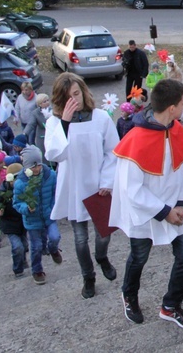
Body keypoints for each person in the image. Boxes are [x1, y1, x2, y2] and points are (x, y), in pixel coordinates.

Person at [110, 79, 183, 328]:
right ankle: (129, 295)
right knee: (139, 257)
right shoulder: (135, 139)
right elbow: (132, 190)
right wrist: (164, 212)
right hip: (146, 214)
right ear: (171, 107)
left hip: (176, 209)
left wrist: (181, 203)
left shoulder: (176, 128)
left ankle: (170, 306)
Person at [45, 72, 119, 299]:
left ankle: (101, 257)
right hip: (74, 186)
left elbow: (112, 151)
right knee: (79, 238)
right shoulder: (54, 122)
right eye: (68, 97)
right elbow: (55, 153)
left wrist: (108, 180)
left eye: (76, 94)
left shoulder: (100, 118)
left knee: (103, 233)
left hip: (98, 185)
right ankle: (88, 277)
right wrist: (65, 123)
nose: (74, 100)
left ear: (84, 91)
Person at [14, 145, 62, 285]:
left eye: (38, 165)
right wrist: (26, 208)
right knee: (36, 246)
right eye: (33, 167)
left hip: (48, 215)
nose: (36, 169)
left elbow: (55, 194)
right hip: (32, 220)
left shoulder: (50, 176)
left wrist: (53, 208)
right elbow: (17, 203)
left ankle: (53, 249)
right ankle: (37, 270)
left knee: (55, 237)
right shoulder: (20, 183)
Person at [0, 163, 29, 278]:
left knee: (24, 245)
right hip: (9, 224)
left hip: (22, 222)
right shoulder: (3, 192)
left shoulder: (25, 188)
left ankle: (22, 261)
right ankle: (18, 269)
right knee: (17, 246)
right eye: (15, 178)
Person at [23, 93, 50, 159]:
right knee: (44, 158)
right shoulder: (35, 113)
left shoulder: (53, 110)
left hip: (52, 137)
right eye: (44, 101)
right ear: (40, 104)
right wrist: (24, 133)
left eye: (48, 100)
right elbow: (31, 124)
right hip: (42, 138)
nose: (47, 102)